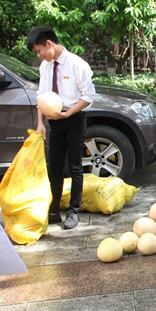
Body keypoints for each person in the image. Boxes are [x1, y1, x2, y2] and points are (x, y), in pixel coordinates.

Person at [27, 26, 95, 230]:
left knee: (74, 166)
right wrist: (40, 123)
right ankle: (54, 210)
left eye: (39, 50)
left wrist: (69, 113)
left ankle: (73, 210)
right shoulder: (45, 67)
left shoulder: (77, 64)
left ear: (49, 43)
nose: (39, 55)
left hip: (74, 119)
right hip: (54, 122)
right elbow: (41, 96)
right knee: (54, 167)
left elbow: (88, 96)